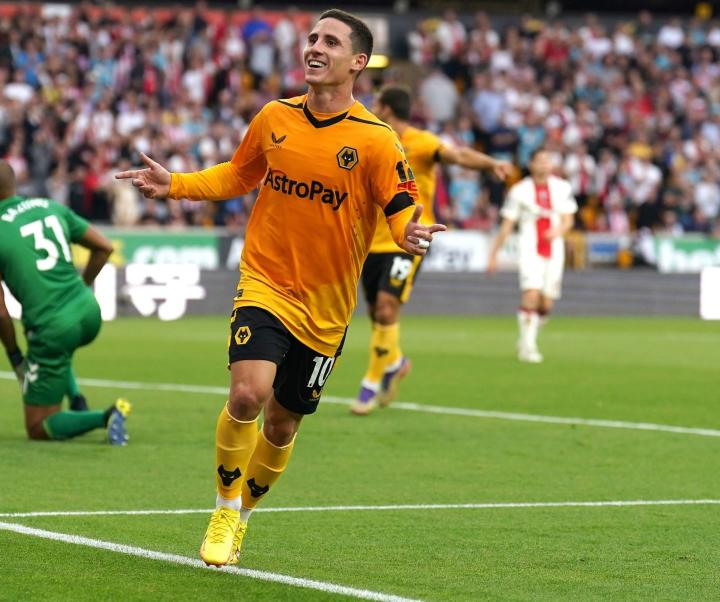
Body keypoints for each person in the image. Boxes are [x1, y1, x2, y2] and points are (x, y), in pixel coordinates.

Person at [116, 9, 445, 567]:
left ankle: (244, 514)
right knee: (248, 394)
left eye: (330, 41)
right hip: (265, 283)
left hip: (326, 309)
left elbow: (398, 206)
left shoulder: (376, 141)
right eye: (312, 37)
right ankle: (223, 506)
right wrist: (174, 185)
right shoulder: (273, 117)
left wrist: (407, 230)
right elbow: (237, 175)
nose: (314, 47)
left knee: (283, 421)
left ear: (357, 62)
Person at [351, 86, 513, 415]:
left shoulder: (422, 142)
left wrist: (490, 163)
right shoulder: (370, 140)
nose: (372, 107)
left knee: (385, 309)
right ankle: (395, 362)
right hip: (371, 242)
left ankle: (369, 385)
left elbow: (459, 156)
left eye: (376, 103)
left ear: (386, 108)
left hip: (409, 237)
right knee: (377, 316)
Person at [0, 159, 130, 443]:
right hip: (89, 312)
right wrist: (81, 287)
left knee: (38, 426)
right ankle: (77, 397)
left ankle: (107, 416)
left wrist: (15, 355)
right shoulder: (50, 207)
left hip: (53, 328)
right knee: (59, 350)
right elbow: (104, 247)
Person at [487, 148, 576, 363]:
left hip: (554, 249)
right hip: (529, 247)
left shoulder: (562, 187)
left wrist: (558, 231)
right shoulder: (519, 190)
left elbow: (568, 219)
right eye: (540, 161)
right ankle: (529, 346)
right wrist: (494, 254)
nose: (545, 165)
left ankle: (527, 337)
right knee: (531, 295)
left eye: (548, 160)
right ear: (532, 164)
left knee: (546, 304)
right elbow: (507, 225)